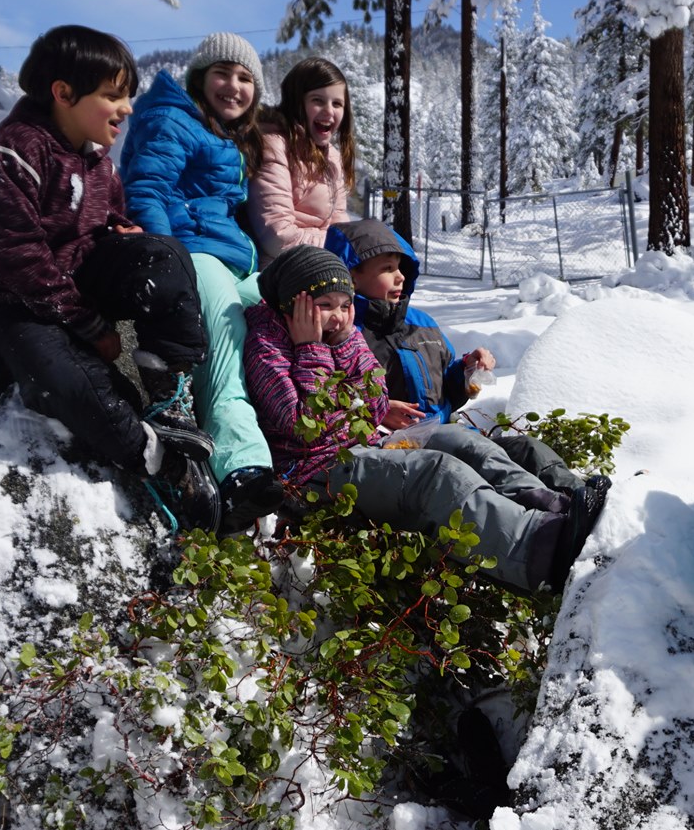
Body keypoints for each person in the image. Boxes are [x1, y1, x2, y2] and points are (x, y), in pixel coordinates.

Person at [0, 23, 218, 531]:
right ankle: (148, 453)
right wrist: (91, 326)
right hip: (12, 299)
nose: (126, 109)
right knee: (66, 381)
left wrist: (125, 233)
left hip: (75, 275)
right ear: (64, 93)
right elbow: (19, 258)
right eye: (112, 96)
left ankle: (169, 393)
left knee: (165, 254)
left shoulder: (99, 160)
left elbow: (106, 216)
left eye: (127, 97)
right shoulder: (17, 157)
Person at [242, 246, 606, 595]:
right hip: (310, 473)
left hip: (358, 448)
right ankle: (538, 550)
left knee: (459, 441)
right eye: (324, 306)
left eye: (345, 305)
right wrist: (312, 349)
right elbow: (307, 427)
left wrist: (341, 345)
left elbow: (373, 403)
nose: (338, 317)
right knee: (433, 473)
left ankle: (554, 505)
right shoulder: (267, 348)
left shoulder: (338, 334)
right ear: (292, 307)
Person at [115, 32, 282, 532]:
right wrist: (168, 264)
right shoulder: (172, 119)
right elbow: (146, 189)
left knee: (290, 309)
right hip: (195, 258)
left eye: (245, 77)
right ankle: (242, 472)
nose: (234, 86)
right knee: (228, 341)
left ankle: (303, 438)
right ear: (199, 78)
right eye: (222, 74)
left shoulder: (223, 135)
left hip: (232, 260)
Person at [326, 218, 496, 430]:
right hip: (392, 448)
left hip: (443, 432)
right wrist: (376, 411)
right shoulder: (341, 335)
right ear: (351, 277)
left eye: (399, 267)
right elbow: (329, 402)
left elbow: (445, 392)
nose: (400, 277)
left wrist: (468, 367)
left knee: (527, 450)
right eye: (388, 268)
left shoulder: (422, 323)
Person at [251, 57, 354, 259]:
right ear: (296, 102)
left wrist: (356, 244)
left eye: (337, 103)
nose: (329, 111)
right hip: (283, 265)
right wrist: (338, 247)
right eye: (317, 100)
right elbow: (278, 236)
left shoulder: (332, 157)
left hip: (323, 259)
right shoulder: (275, 147)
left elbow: (338, 221)